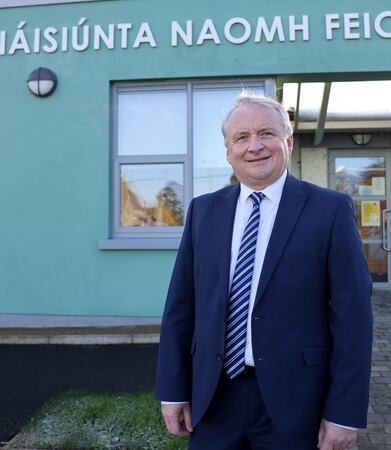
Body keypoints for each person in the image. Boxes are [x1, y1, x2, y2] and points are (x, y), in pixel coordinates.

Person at [155, 94, 373, 450]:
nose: (254, 146)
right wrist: (173, 390)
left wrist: (343, 413)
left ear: (288, 141)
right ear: (229, 152)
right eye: (241, 137)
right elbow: (181, 307)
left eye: (266, 134)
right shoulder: (203, 211)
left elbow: (354, 318)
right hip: (212, 399)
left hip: (296, 402)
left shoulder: (330, 210)